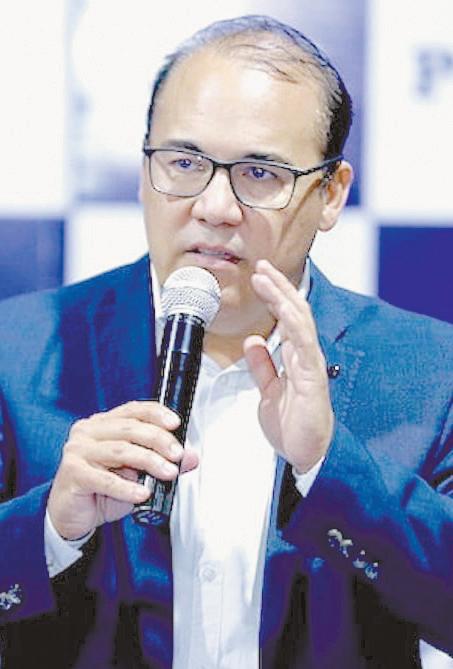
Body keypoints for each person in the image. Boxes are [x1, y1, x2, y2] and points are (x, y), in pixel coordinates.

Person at [0, 14, 452, 669]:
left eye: (260, 173)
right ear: (143, 171)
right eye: (184, 163)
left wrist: (331, 466)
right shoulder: (17, 351)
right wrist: (48, 527)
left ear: (330, 194)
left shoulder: (429, 371)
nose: (215, 207)